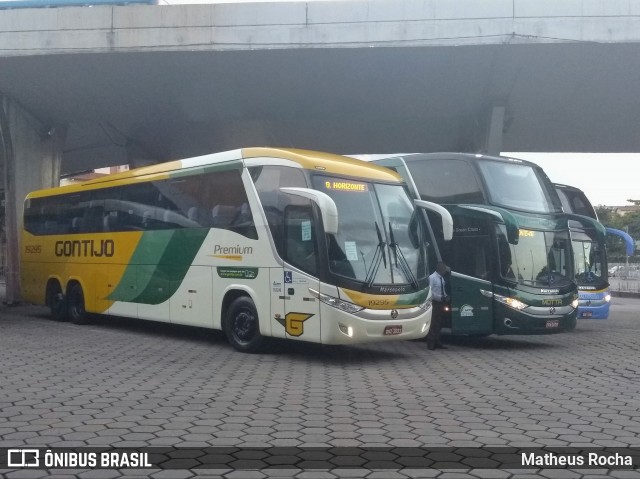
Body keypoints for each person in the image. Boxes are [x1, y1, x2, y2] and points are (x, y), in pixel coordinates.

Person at [426, 261, 450, 350]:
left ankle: (437, 341)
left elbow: (442, 290)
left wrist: (445, 296)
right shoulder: (432, 278)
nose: (445, 271)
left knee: (439, 323)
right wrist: (440, 297)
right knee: (434, 323)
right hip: (434, 303)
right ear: (440, 269)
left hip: (441, 303)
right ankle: (430, 343)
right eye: (444, 269)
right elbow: (430, 292)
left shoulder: (441, 278)